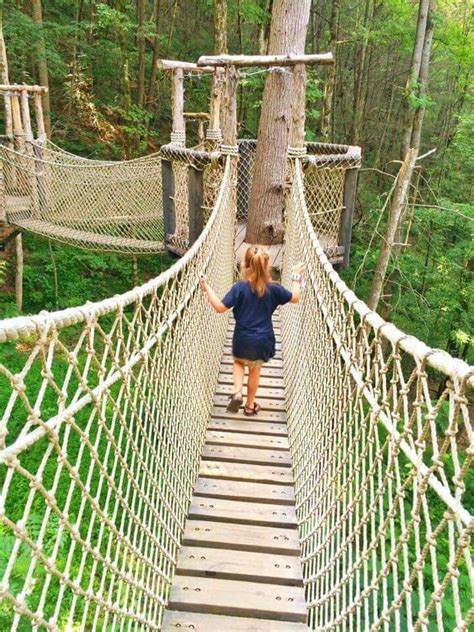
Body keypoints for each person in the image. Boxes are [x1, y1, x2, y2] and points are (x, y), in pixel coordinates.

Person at [200, 245, 303, 415]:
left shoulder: (239, 288)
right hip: (263, 340)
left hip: (242, 339)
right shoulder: (274, 289)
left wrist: (207, 288)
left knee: (239, 362)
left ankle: (237, 391)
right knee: (255, 371)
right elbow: (296, 297)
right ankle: (249, 406)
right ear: (267, 266)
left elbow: (219, 308)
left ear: (245, 265)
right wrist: (296, 276)